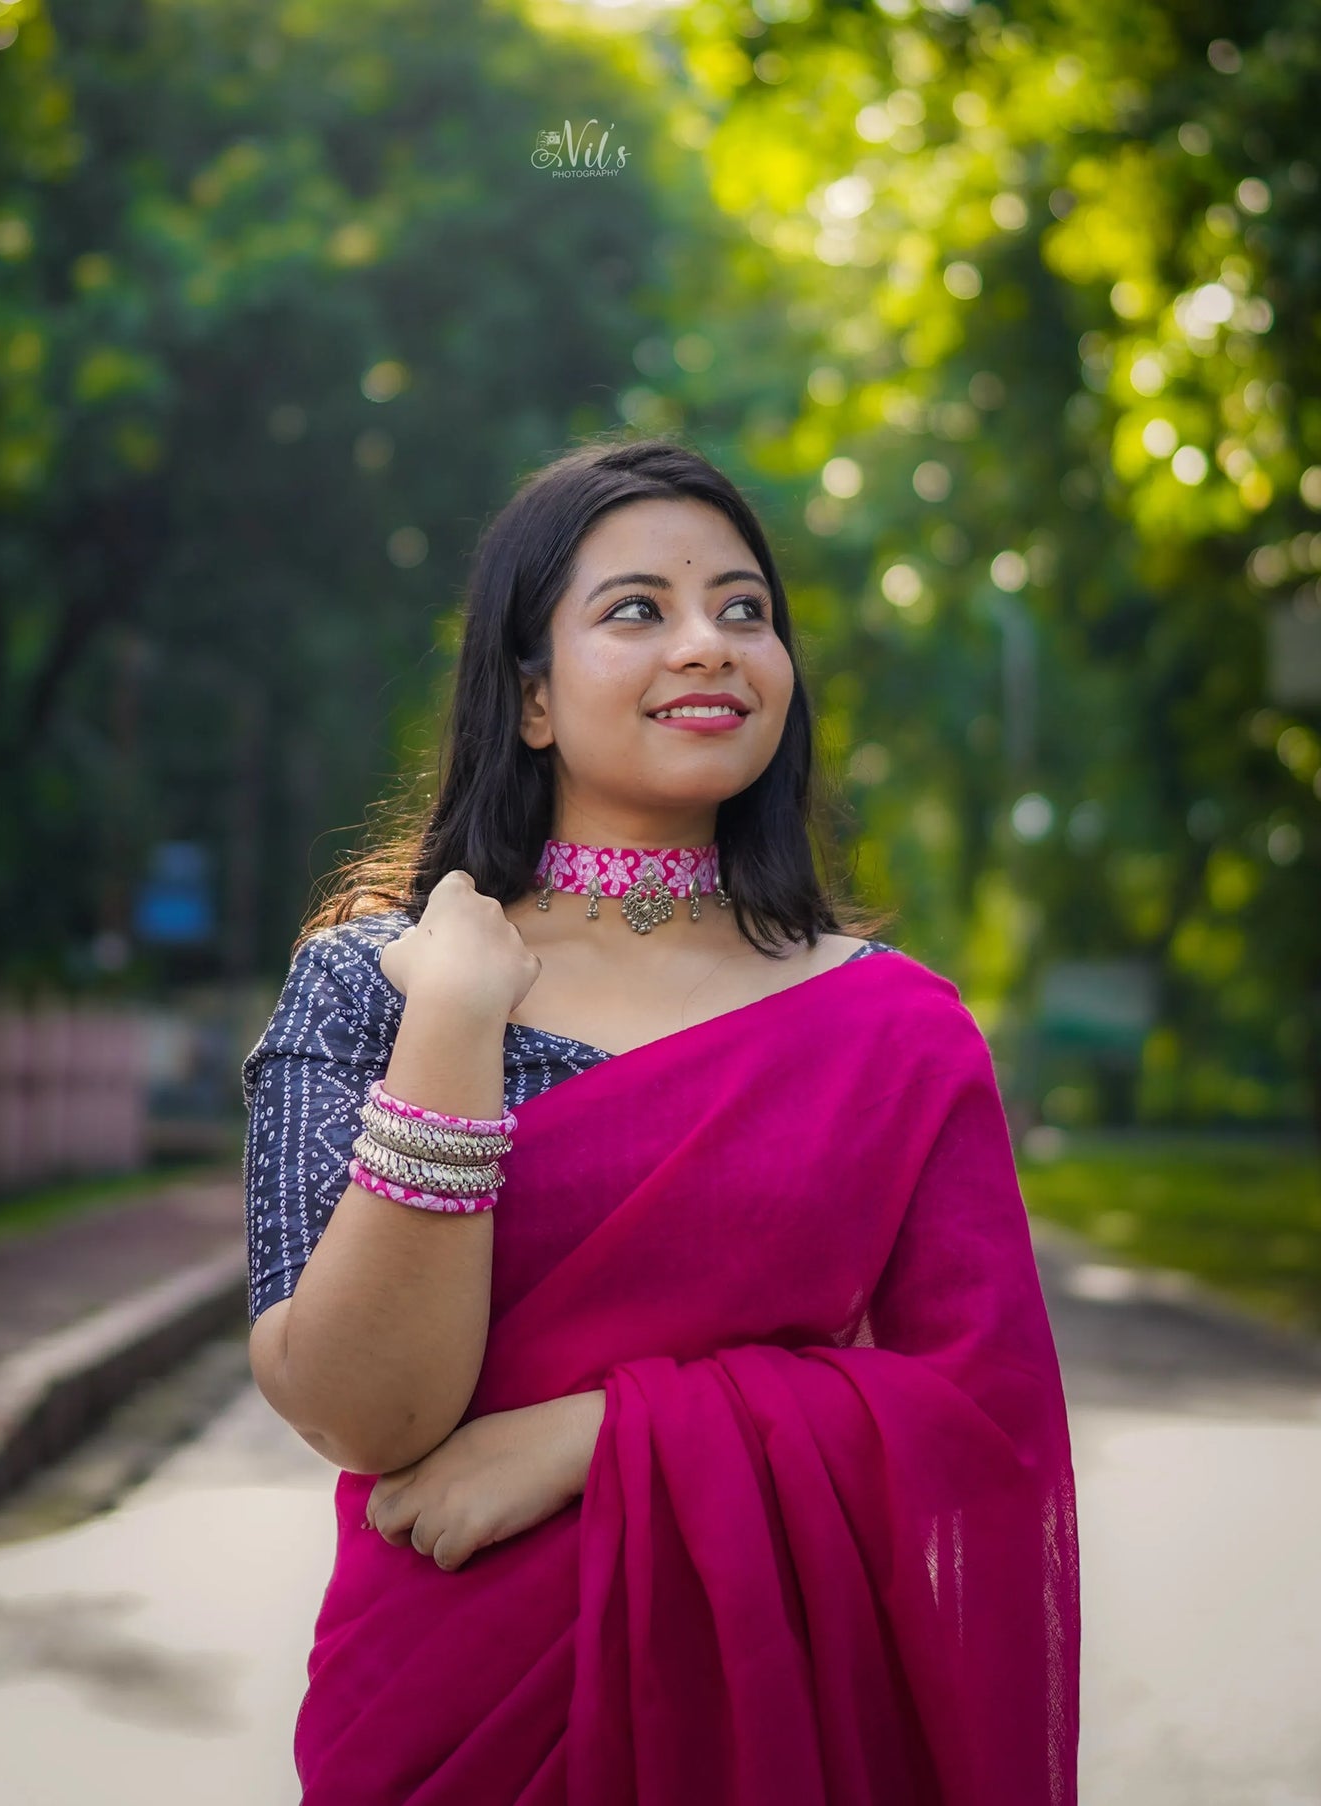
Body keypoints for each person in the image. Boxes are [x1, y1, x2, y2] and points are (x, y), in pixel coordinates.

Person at [241, 436, 1081, 1805]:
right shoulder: (369, 979)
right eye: (637, 609)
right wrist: (454, 1018)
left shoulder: (893, 1029)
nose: (709, 644)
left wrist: (602, 1437)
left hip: (775, 1704)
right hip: (448, 1708)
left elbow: (976, 1431)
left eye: (743, 609)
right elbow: (359, 1409)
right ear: (528, 697)